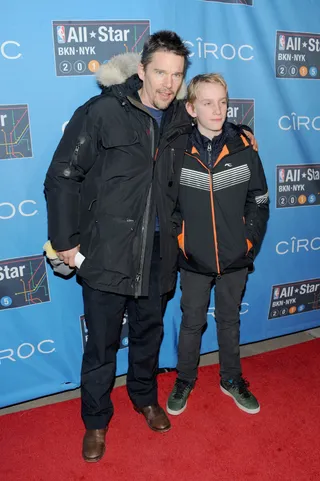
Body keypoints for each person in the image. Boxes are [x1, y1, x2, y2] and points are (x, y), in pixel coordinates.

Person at [44, 31, 257, 462]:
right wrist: (66, 241)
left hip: (161, 252)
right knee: (101, 344)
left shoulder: (180, 118)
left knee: (148, 334)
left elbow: (215, 125)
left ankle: (145, 398)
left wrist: (243, 138)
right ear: (141, 69)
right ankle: (97, 421)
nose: (167, 83)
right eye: (160, 72)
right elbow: (62, 175)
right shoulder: (102, 111)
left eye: (176, 75)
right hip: (106, 252)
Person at [165, 73, 269, 417]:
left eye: (222, 102)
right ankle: (184, 379)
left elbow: (259, 199)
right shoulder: (178, 151)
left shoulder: (242, 146)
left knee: (229, 321)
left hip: (235, 258)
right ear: (191, 108)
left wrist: (248, 241)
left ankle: (232, 379)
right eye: (208, 103)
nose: (217, 110)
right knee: (191, 322)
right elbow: (169, 206)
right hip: (193, 259)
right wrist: (183, 241)